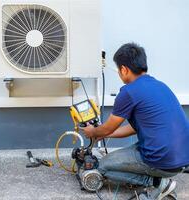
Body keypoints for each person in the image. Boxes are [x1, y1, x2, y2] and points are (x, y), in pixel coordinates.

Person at [80, 43, 189, 200]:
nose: (119, 73)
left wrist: (93, 132)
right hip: (182, 157)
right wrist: (103, 135)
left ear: (124, 69)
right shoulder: (160, 85)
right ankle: (160, 177)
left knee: (102, 166)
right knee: (124, 155)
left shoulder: (128, 92)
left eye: (118, 70)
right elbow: (132, 128)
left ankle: (156, 182)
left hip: (160, 160)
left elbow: (107, 128)